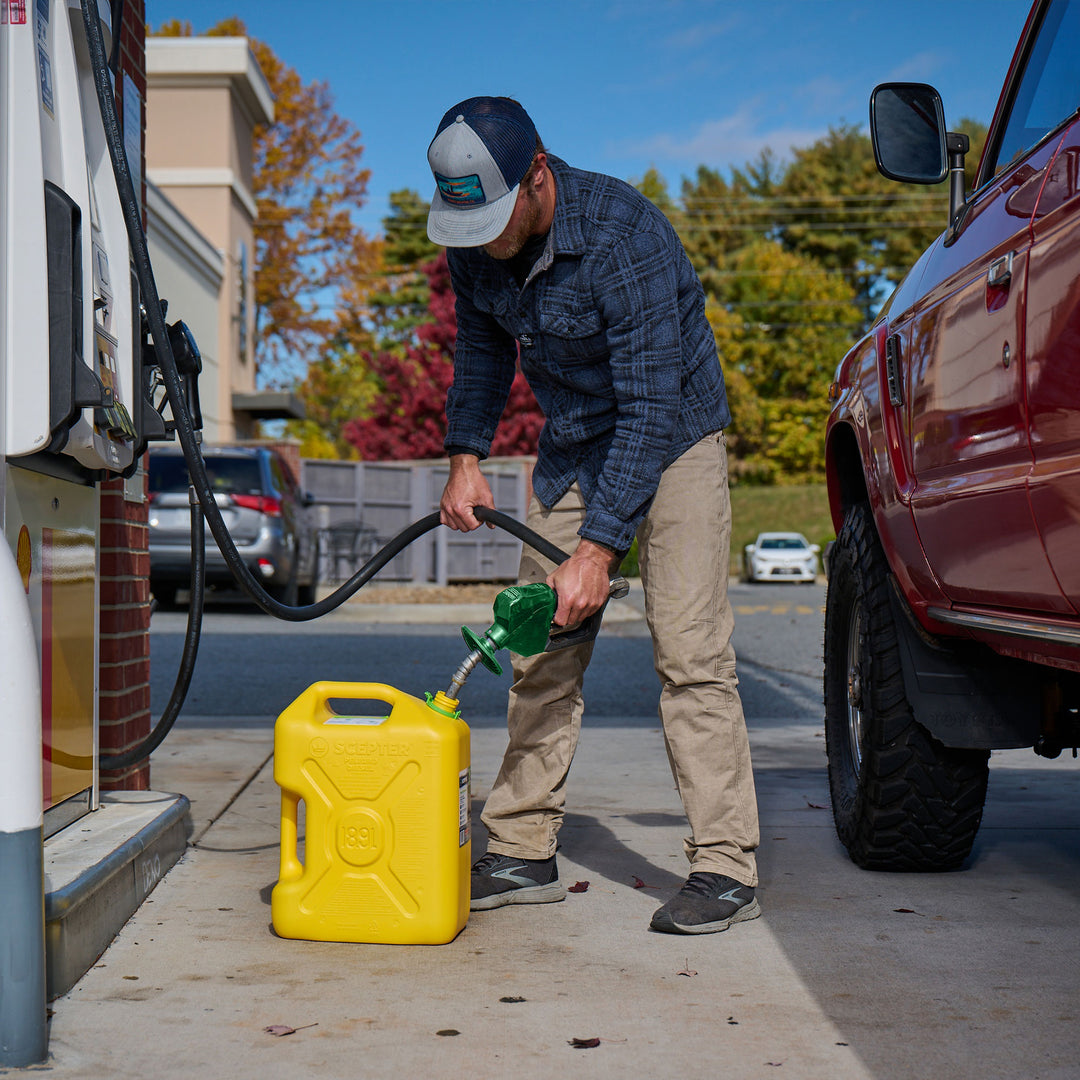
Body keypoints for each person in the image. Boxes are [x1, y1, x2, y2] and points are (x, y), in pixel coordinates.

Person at [427, 96, 760, 935]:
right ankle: (521, 847)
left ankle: (725, 866)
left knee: (689, 651)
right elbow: (481, 349)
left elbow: (650, 406)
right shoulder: (475, 238)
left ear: (537, 174)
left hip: (674, 438)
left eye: (498, 220)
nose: (485, 243)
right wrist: (465, 457)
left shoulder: (624, 234)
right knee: (537, 642)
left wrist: (599, 551)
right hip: (575, 440)